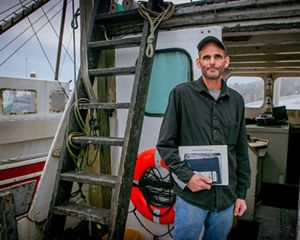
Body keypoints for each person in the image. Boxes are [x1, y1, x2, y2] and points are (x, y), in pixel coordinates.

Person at [156, 36, 251, 240]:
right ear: (199, 63)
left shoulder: (237, 101)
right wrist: (187, 177)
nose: (212, 62)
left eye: (217, 56)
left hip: (226, 198)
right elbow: (165, 145)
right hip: (192, 199)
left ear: (226, 61)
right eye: (206, 57)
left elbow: (241, 149)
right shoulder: (181, 94)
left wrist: (242, 193)